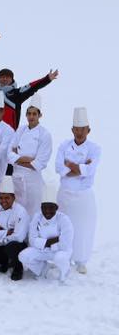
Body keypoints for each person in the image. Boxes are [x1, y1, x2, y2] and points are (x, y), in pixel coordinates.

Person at [54, 107, 101, 274]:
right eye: (77, 129)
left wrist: (71, 166)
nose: (79, 132)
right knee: (64, 227)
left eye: (83, 129)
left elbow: (90, 170)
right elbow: (59, 168)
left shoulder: (95, 149)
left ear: (88, 130)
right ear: (72, 130)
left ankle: (81, 260)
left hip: (84, 195)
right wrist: (81, 167)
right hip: (65, 194)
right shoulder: (64, 145)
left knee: (83, 228)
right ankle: (63, 257)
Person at [19, 183, 74, 283]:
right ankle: (43, 269)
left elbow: (65, 244)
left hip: (59, 251)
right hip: (43, 250)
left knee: (60, 258)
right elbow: (32, 240)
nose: (47, 211)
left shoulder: (64, 219)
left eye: (51, 207)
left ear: (56, 207)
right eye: (44, 207)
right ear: (41, 207)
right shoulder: (37, 217)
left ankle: (64, 272)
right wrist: (53, 240)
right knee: (23, 256)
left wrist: (43, 243)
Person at [7, 96, 52, 218]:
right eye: (29, 114)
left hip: (33, 182)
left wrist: (17, 159)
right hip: (17, 179)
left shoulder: (45, 134)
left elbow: (40, 163)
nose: (31, 117)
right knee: (18, 213)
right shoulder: (20, 130)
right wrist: (29, 159)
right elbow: (9, 155)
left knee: (34, 213)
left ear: (40, 115)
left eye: (34, 114)